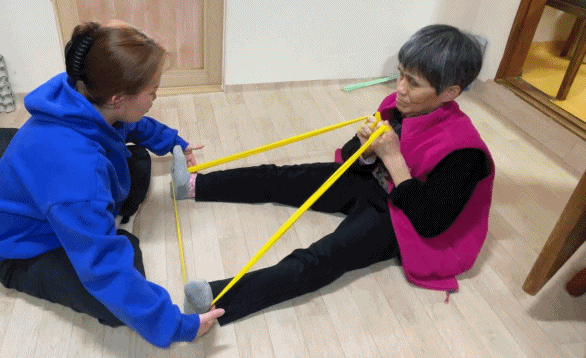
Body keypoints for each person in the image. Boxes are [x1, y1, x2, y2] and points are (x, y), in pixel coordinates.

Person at [177, 24, 495, 325]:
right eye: (401, 74)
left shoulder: (464, 151)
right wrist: (364, 146)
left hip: (402, 217)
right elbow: (350, 158)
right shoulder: (398, 106)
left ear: (449, 92)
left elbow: (429, 222)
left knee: (324, 256)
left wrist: (393, 157)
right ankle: (194, 184)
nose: (400, 88)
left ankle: (216, 301)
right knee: (281, 177)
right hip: (372, 183)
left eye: (413, 82)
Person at [0, 20, 224, 348]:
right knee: (117, 295)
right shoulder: (77, 174)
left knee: (138, 160)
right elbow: (104, 269)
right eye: (152, 91)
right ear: (118, 98)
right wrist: (177, 325)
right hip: (22, 250)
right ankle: (100, 231)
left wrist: (172, 142)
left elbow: (132, 125)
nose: (155, 97)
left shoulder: (85, 96)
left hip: (61, 201)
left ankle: (98, 226)